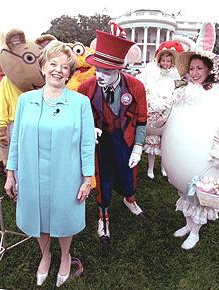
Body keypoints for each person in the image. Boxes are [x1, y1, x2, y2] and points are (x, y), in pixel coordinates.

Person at [4, 40, 95, 287]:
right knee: (38, 217)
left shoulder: (80, 103)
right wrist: (11, 174)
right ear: (43, 67)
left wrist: (88, 178)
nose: (58, 70)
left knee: (64, 218)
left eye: (64, 67)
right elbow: (16, 141)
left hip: (67, 174)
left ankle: (65, 256)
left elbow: (87, 143)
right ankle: (46, 255)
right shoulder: (25, 100)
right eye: (52, 64)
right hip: (32, 173)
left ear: (69, 73)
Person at [78, 30, 147, 245]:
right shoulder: (85, 88)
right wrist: (88, 129)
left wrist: (138, 146)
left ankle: (129, 198)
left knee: (128, 175)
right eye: (98, 69)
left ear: (119, 69)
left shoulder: (136, 86)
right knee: (104, 178)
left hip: (125, 139)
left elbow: (142, 119)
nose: (99, 75)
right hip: (100, 143)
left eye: (106, 71)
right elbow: (78, 118)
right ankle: (103, 214)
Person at [172, 25, 219, 250]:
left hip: (203, 152)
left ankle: (196, 231)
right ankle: (189, 224)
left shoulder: (214, 95)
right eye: (192, 68)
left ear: (209, 70)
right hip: (185, 149)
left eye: (200, 68)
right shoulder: (185, 91)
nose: (195, 72)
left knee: (199, 192)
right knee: (186, 189)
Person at [142, 48, 181, 179]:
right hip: (154, 109)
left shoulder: (173, 75)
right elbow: (149, 87)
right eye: (163, 60)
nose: (165, 63)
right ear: (159, 61)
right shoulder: (153, 72)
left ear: (171, 62)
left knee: (165, 143)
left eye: (168, 61)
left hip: (167, 109)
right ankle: (150, 168)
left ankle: (164, 167)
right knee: (152, 140)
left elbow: (174, 91)